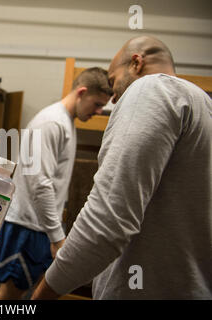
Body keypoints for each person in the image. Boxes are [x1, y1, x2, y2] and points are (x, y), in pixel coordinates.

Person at [32, 36, 212, 300]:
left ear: (136, 63)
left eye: (114, 81)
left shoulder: (151, 89)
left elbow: (108, 220)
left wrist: (44, 294)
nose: (113, 100)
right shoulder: (204, 106)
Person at [0, 68, 113, 299]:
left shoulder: (65, 121)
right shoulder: (51, 122)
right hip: (28, 225)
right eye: (97, 104)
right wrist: (58, 238)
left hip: (41, 226)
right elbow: (41, 184)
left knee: (36, 287)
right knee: (11, 292)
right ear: (82, 92)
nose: (99, 111)